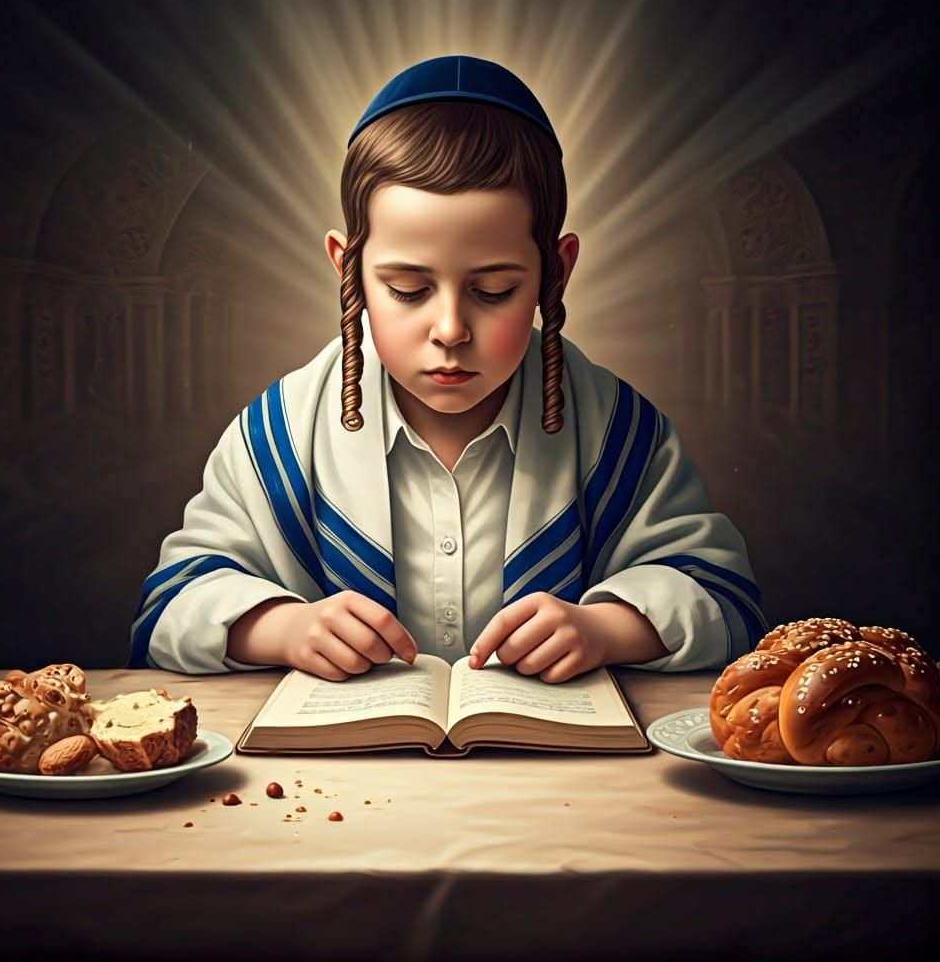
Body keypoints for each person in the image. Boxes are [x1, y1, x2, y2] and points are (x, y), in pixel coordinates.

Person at [130, 55, 765, 683]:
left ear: (557, 270)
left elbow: (724, 599)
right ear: (347, 270)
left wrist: (605, 629)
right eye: (408, 289)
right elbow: (168, 609)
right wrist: (281, 629)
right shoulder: (279, 434)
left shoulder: (619, 432)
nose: (451, 330)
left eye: (493, 291)